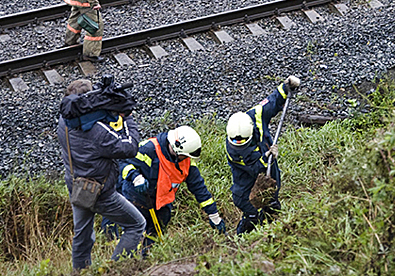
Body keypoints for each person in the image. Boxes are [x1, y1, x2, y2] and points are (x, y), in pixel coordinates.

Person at [57, 78, 146, 271]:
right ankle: (111, 270)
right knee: (136, 225)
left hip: (76, 185)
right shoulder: (98, 133)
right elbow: (129, 147)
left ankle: (79, 272)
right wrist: (127, 117)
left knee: (82, 235)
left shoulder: (64, 121)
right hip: (100, 192)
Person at [118, 126, 226, 253]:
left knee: (156, 234)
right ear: (176, 148)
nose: (186, 159)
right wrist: (135, 177)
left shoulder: (186, 162)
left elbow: (199, 188)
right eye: (184, 156)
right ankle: (130, 261)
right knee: (136, 231)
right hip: (138, 198)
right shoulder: (148, 149)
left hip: (162, 203)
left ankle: (149, 257)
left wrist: (214, 215)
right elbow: (121, 163)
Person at [226, 75, 301, 234]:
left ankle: (274, 235)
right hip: (246, 188)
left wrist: (286, 87)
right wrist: (268, 154)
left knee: (273, 206)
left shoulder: (255, 117)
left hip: (269, 174)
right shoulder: (233, 150)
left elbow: (272, 102)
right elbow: (255, 168)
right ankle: (241, 240)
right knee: (253, 216)